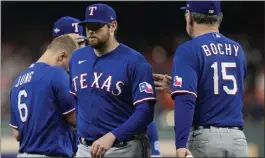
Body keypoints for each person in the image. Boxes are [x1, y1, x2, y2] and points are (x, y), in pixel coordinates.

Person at [153, 1, 248, 157]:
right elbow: (224, 93)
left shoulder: (188, 50)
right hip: (237, 140)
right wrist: (177, 88)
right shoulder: (238, 50)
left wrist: (180, 144)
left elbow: (186, 100)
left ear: (190, 17)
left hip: (206, 140)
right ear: (220, 18)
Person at [69, 3, 156, 157]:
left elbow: (145, 111)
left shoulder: (134, 61)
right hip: (85, 149)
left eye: (97, 26)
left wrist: (113, 135)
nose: (91, 31)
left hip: (124, 147)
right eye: (88, 26)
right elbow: (76, 101)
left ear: (113, 26)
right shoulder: (77, 58)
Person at [9, 34, 79, 157]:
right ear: (62, 56)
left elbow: (17, 133)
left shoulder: (17, 82)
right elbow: (74, 118)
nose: (69, 70)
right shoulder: (56, 73)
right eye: (69, 66)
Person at [52, 16, 87, 156]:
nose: (77, 48)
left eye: (81, 42)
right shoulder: (50, 75)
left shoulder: (81, 71)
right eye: (73, 43)